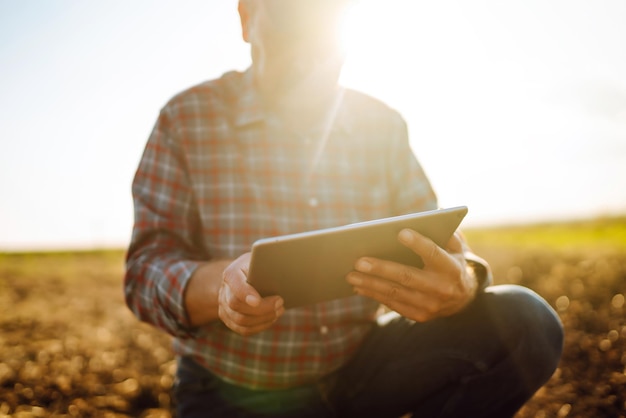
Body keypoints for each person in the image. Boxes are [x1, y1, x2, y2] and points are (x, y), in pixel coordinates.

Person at [124, 1, 564, 417]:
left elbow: (443, 245)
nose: (310, 55)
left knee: (525, 324)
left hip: (362, 368)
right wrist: (220, 287)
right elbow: (145, 271)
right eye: (290, 20)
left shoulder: (383, 125)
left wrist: (462, 285)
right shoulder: (186, 119)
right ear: (246, 17)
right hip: (231, 389)